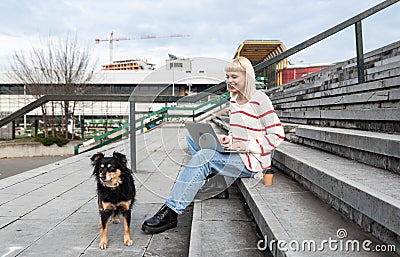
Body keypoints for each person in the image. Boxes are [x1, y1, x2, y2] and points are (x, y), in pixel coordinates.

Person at [141, 56, 285, 234]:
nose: (229, 81)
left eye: (234, 77)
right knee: (193, 138)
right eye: (227, 77)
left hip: (253, 162)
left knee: (203, 157)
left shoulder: (260, 99)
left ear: (247, 77)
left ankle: (171, 211)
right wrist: (229, 139)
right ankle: (217, 183)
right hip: (238, 152)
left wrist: (247, 145)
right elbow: (237, 130)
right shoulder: (234, 100)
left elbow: (277, 135)